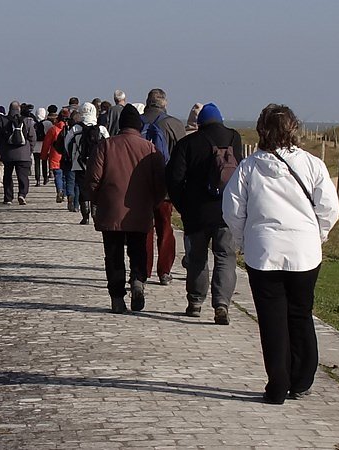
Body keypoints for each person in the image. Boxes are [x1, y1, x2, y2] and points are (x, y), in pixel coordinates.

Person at [222, 103, 339, 404]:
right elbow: (329, 208)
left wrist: (243, 240)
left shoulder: (249, 168)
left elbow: (233, 210)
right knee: (300, 314)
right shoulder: (313, 165)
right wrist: (318, 234)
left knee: (272, 320)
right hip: (304, 252)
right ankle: (302, 379)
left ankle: (277, 385)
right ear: (294, 129)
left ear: (262, 130)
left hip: (263, 251)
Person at [167, 103, 243, 325]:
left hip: (196, 213)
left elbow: (174, 179)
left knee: (197, 258)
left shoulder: (187, 144)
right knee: (225, 258)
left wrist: (182, 206)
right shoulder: (234, 138)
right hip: (227, 211)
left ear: (199, 123)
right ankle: (222, 304)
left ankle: (195, 302)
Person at [86, 104, 166, 313]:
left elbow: (93, 179)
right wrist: (153, 203)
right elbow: (160, 184)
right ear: (139, 126)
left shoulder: (106, 146)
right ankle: (138, 281)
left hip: (111, 210)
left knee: (113, 255)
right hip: (139, 211)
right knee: (138, 250)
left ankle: (117, 298)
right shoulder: (150, 149)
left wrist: (97, 200)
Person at [141, 88, 186, 286]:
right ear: (165, 103)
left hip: (140, 185)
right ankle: (164, 270)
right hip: (166, 186)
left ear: (147, 102)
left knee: (143, 229)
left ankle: (143, 269)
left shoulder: (137, 122)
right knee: (165, 227)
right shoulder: (174, 124)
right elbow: (184, 156)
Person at [64, 102, 109, 224]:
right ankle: (95, 212)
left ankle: (85, 216)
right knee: (96, 187)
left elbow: (66, 145)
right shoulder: (101, 129)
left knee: (82, 188)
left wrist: (72, 157)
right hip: (98, 164)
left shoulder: (75, 128)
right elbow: (108, 146)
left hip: (79, 163)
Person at [0, 101, 37, 205]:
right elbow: (32, 137)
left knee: (7, 176)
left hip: (8, 154)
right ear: (19, 109)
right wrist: (30, 150)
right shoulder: (28, 121)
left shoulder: (3, 121)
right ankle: (22, 194)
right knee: (23, 176)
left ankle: (8, 198)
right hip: (23, 154)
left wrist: (1, 150)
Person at [41, 107, 70, 203]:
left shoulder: (54, 129)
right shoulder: (71, 129)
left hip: (55, 155)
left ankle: (59, 190)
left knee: (58, 175)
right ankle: (66, 193)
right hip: (68, 155)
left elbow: (46, 144)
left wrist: (44, 156)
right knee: (66, 175)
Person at [33, 107, 51, 186]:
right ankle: (45, 178)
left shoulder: (33, 123)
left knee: (37, 163)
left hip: (36, 146)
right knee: (44, 162)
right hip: (45, 145)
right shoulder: (48, 123)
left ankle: (37, 180)